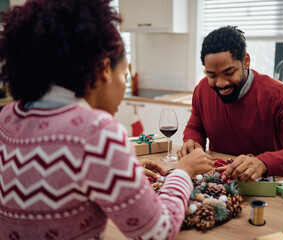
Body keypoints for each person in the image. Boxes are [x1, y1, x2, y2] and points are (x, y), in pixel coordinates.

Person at [0, 0, 214, 239]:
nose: (125, 87)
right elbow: (158, 232)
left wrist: (118, 173)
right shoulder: (97, 132)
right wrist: (183, 172)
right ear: (103, 70)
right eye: (124, 75)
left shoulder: (6, 117)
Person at [177, 26, 283, 183]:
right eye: (212, 75)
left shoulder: (280, 95)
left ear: (246, 61)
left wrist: (264, 162)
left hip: (268, 186)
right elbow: (196, 127)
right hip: (219, 182)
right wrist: (193, 141)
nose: (221, 83)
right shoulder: (202, 89)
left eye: (229, 73)